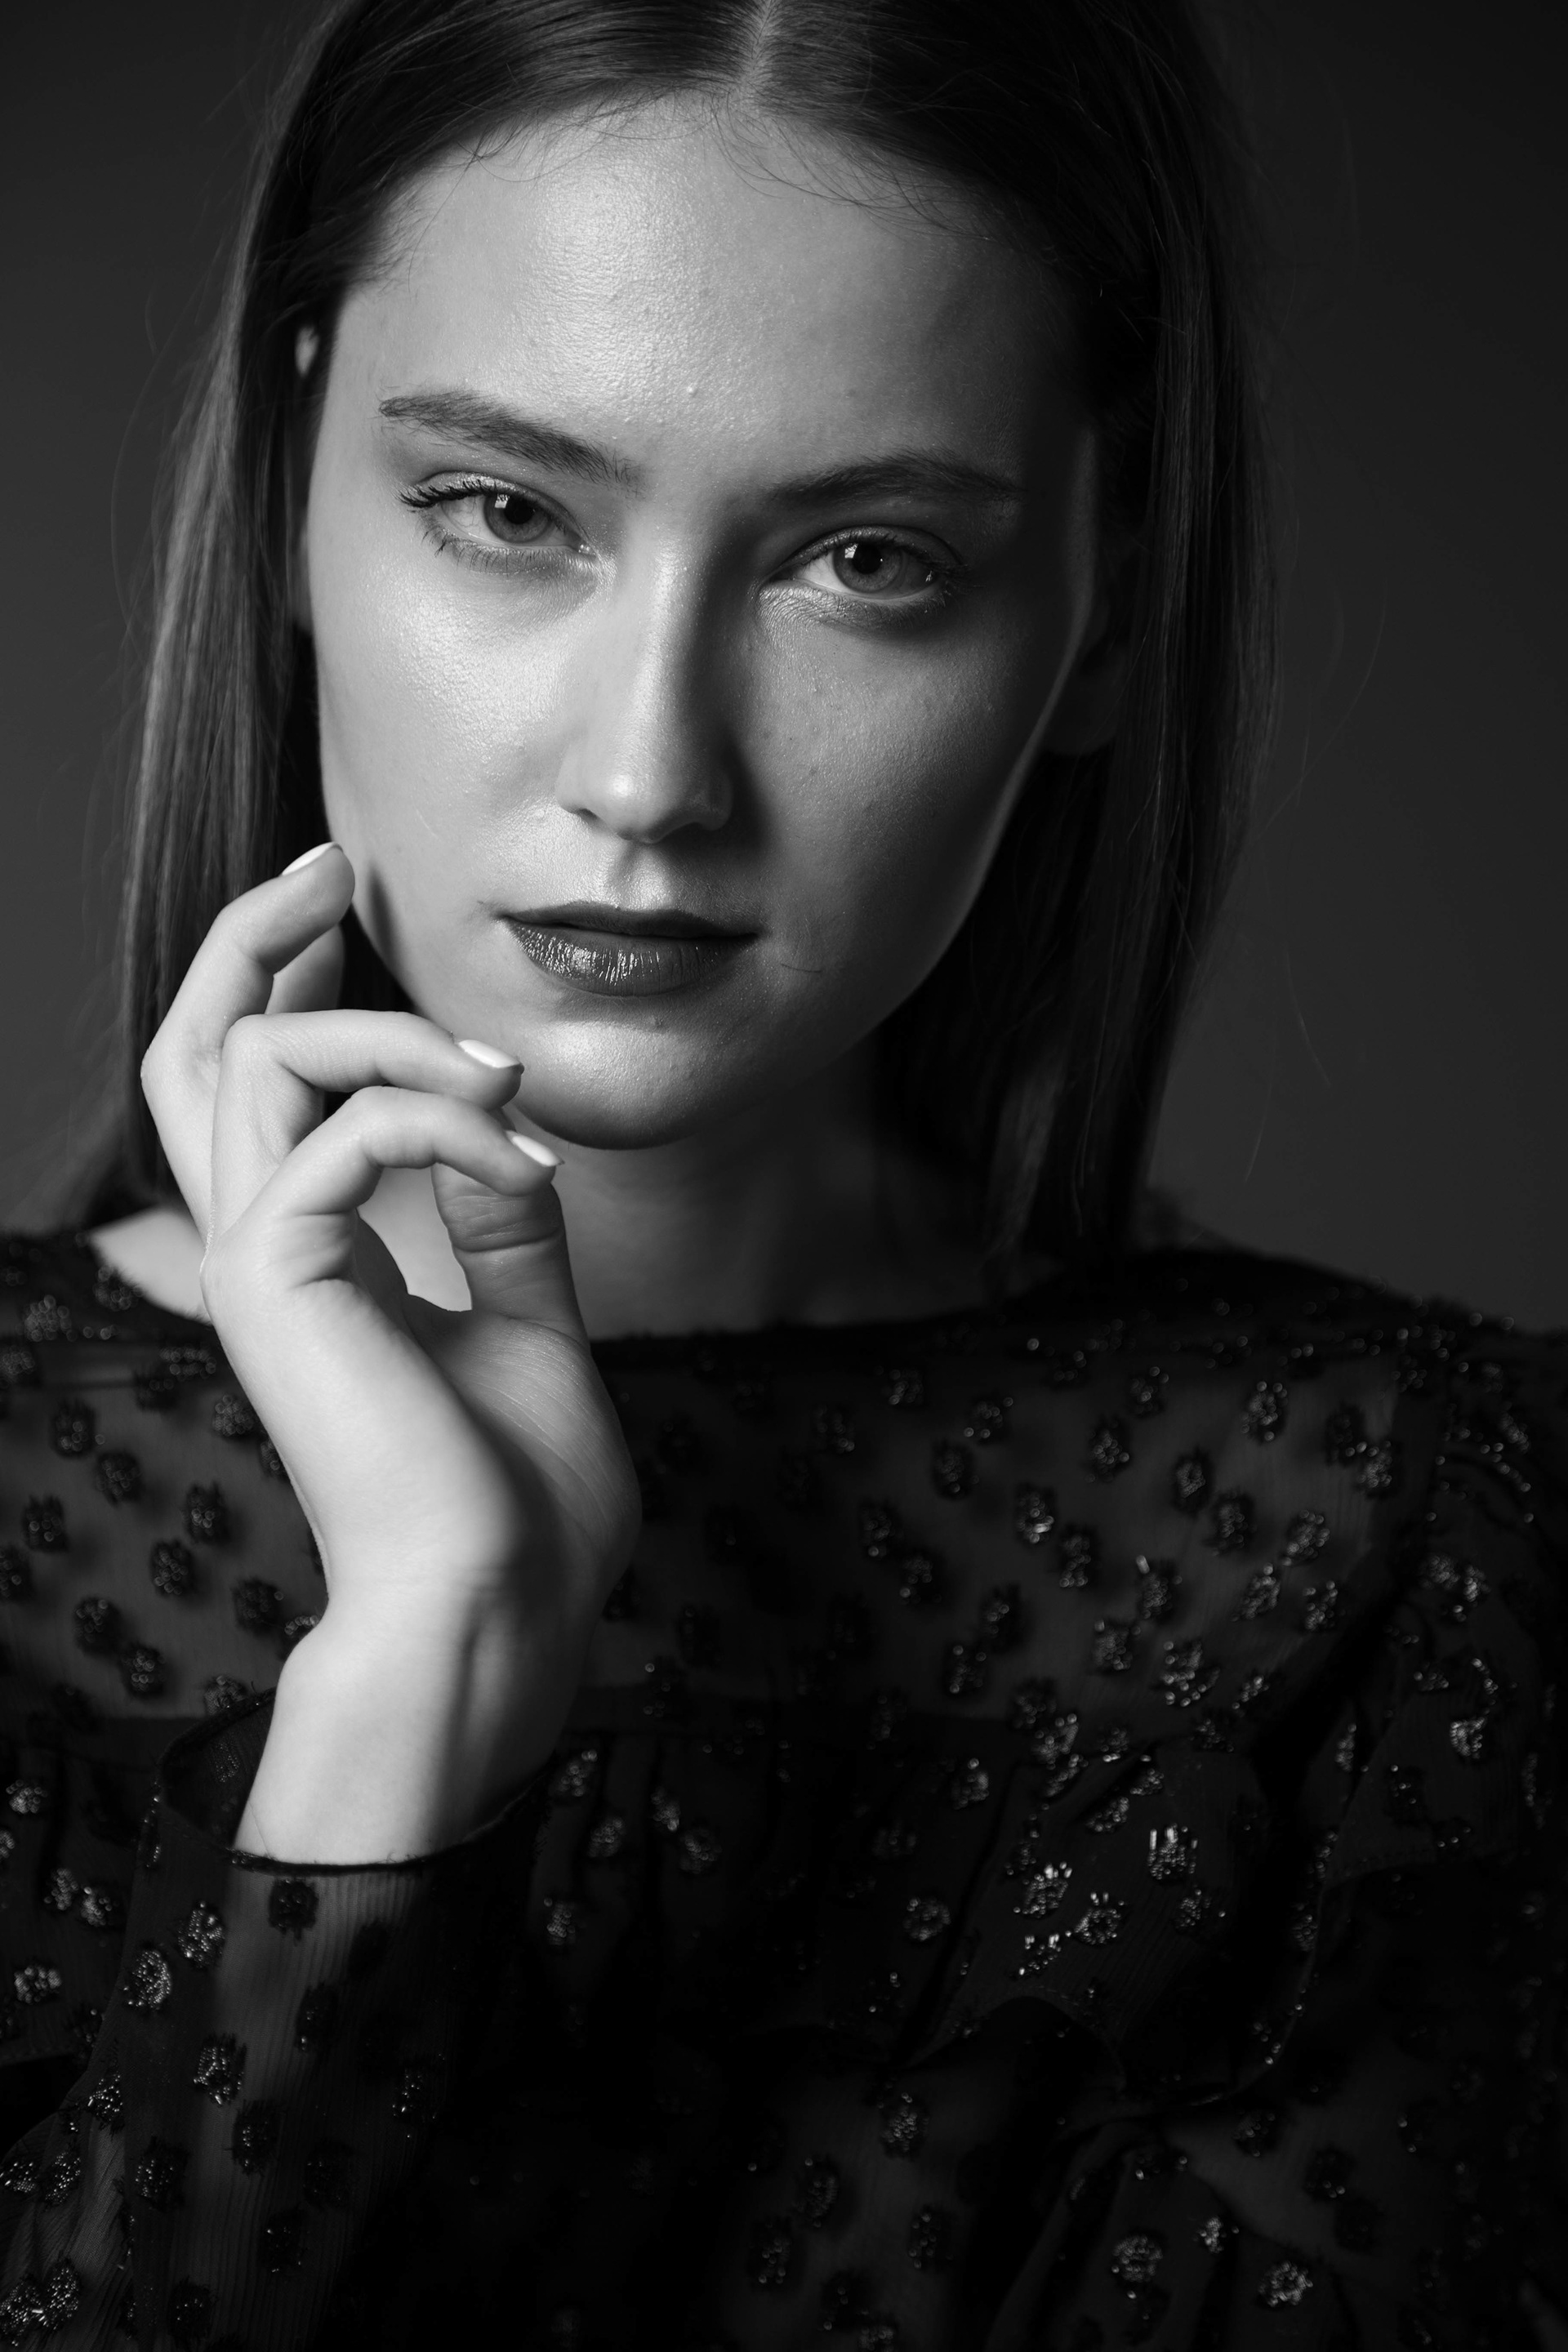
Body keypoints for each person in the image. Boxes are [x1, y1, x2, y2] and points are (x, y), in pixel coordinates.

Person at [0, 0, 1561, 2342]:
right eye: (507, 512)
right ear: (295, 468)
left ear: (1105, 602)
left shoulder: (1405, 1550)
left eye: (864, 558)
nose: (650, 771)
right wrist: (410, 1675)